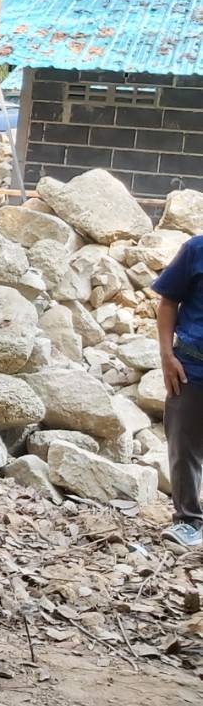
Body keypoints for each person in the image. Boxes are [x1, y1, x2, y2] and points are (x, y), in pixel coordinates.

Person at [155, 232, 203, 548]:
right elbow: (168, 301)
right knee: (183, 445)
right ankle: (188, 521)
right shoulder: (196, 250)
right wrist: (166, 355)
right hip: (191, 368)